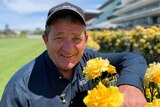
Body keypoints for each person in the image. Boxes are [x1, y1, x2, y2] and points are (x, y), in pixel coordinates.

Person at [0, 2, 147, 107]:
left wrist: (130, 85)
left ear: (86, 40)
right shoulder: (19, 90)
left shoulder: (89, 58)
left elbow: (133, 58)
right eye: (59, 38)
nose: (69, 49)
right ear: (46, 40)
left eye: (76, 38)